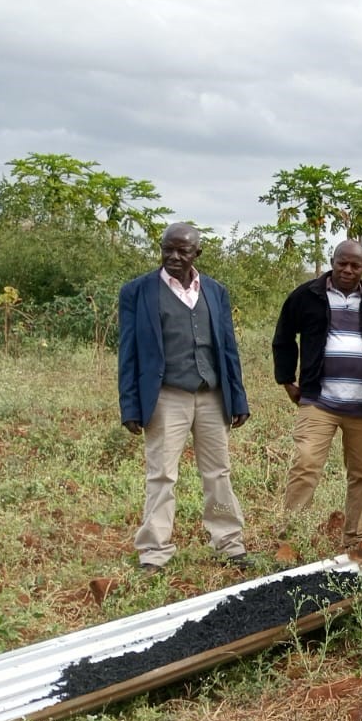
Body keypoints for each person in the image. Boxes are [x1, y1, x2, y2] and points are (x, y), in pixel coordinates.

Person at [117, 222, 249, 573]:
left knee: (218, 473)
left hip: (211, 395)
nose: (174, 257)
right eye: (167, 249)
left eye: (183, 251)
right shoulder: (138, 292)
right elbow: (127, 352)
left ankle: (229, 543)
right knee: (161, 474)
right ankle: (154, 552)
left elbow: (228, 348)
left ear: (197, 254)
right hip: (166, 396)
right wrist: (130, 405)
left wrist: (237, 398)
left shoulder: (215, 291)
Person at [271, 239, 362, 549]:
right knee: (305, 464)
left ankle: (356, 538)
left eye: (354, 265)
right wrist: (287, 380)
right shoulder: (307, 295)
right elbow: (283, 337)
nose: (347, 269)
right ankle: (289, 540)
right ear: (333, 261)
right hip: (319, 399)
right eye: (341, 263)